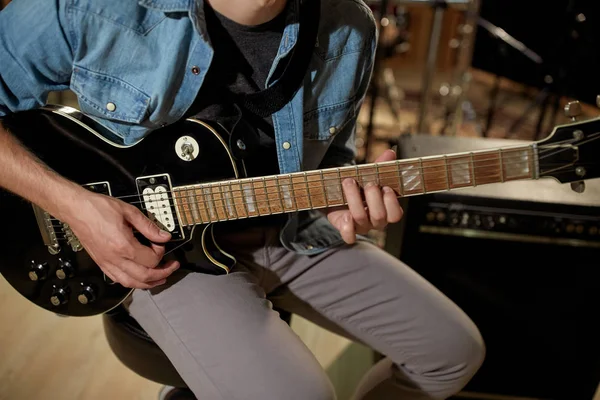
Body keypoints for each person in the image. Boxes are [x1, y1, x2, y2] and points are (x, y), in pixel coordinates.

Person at [0, 0, 485, 399]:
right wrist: (73, 206)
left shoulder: (348, 27)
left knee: (451, 353)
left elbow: (333, 161)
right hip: (164, 255)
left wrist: (347, 202)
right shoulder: (98, 7)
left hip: (289, 230)